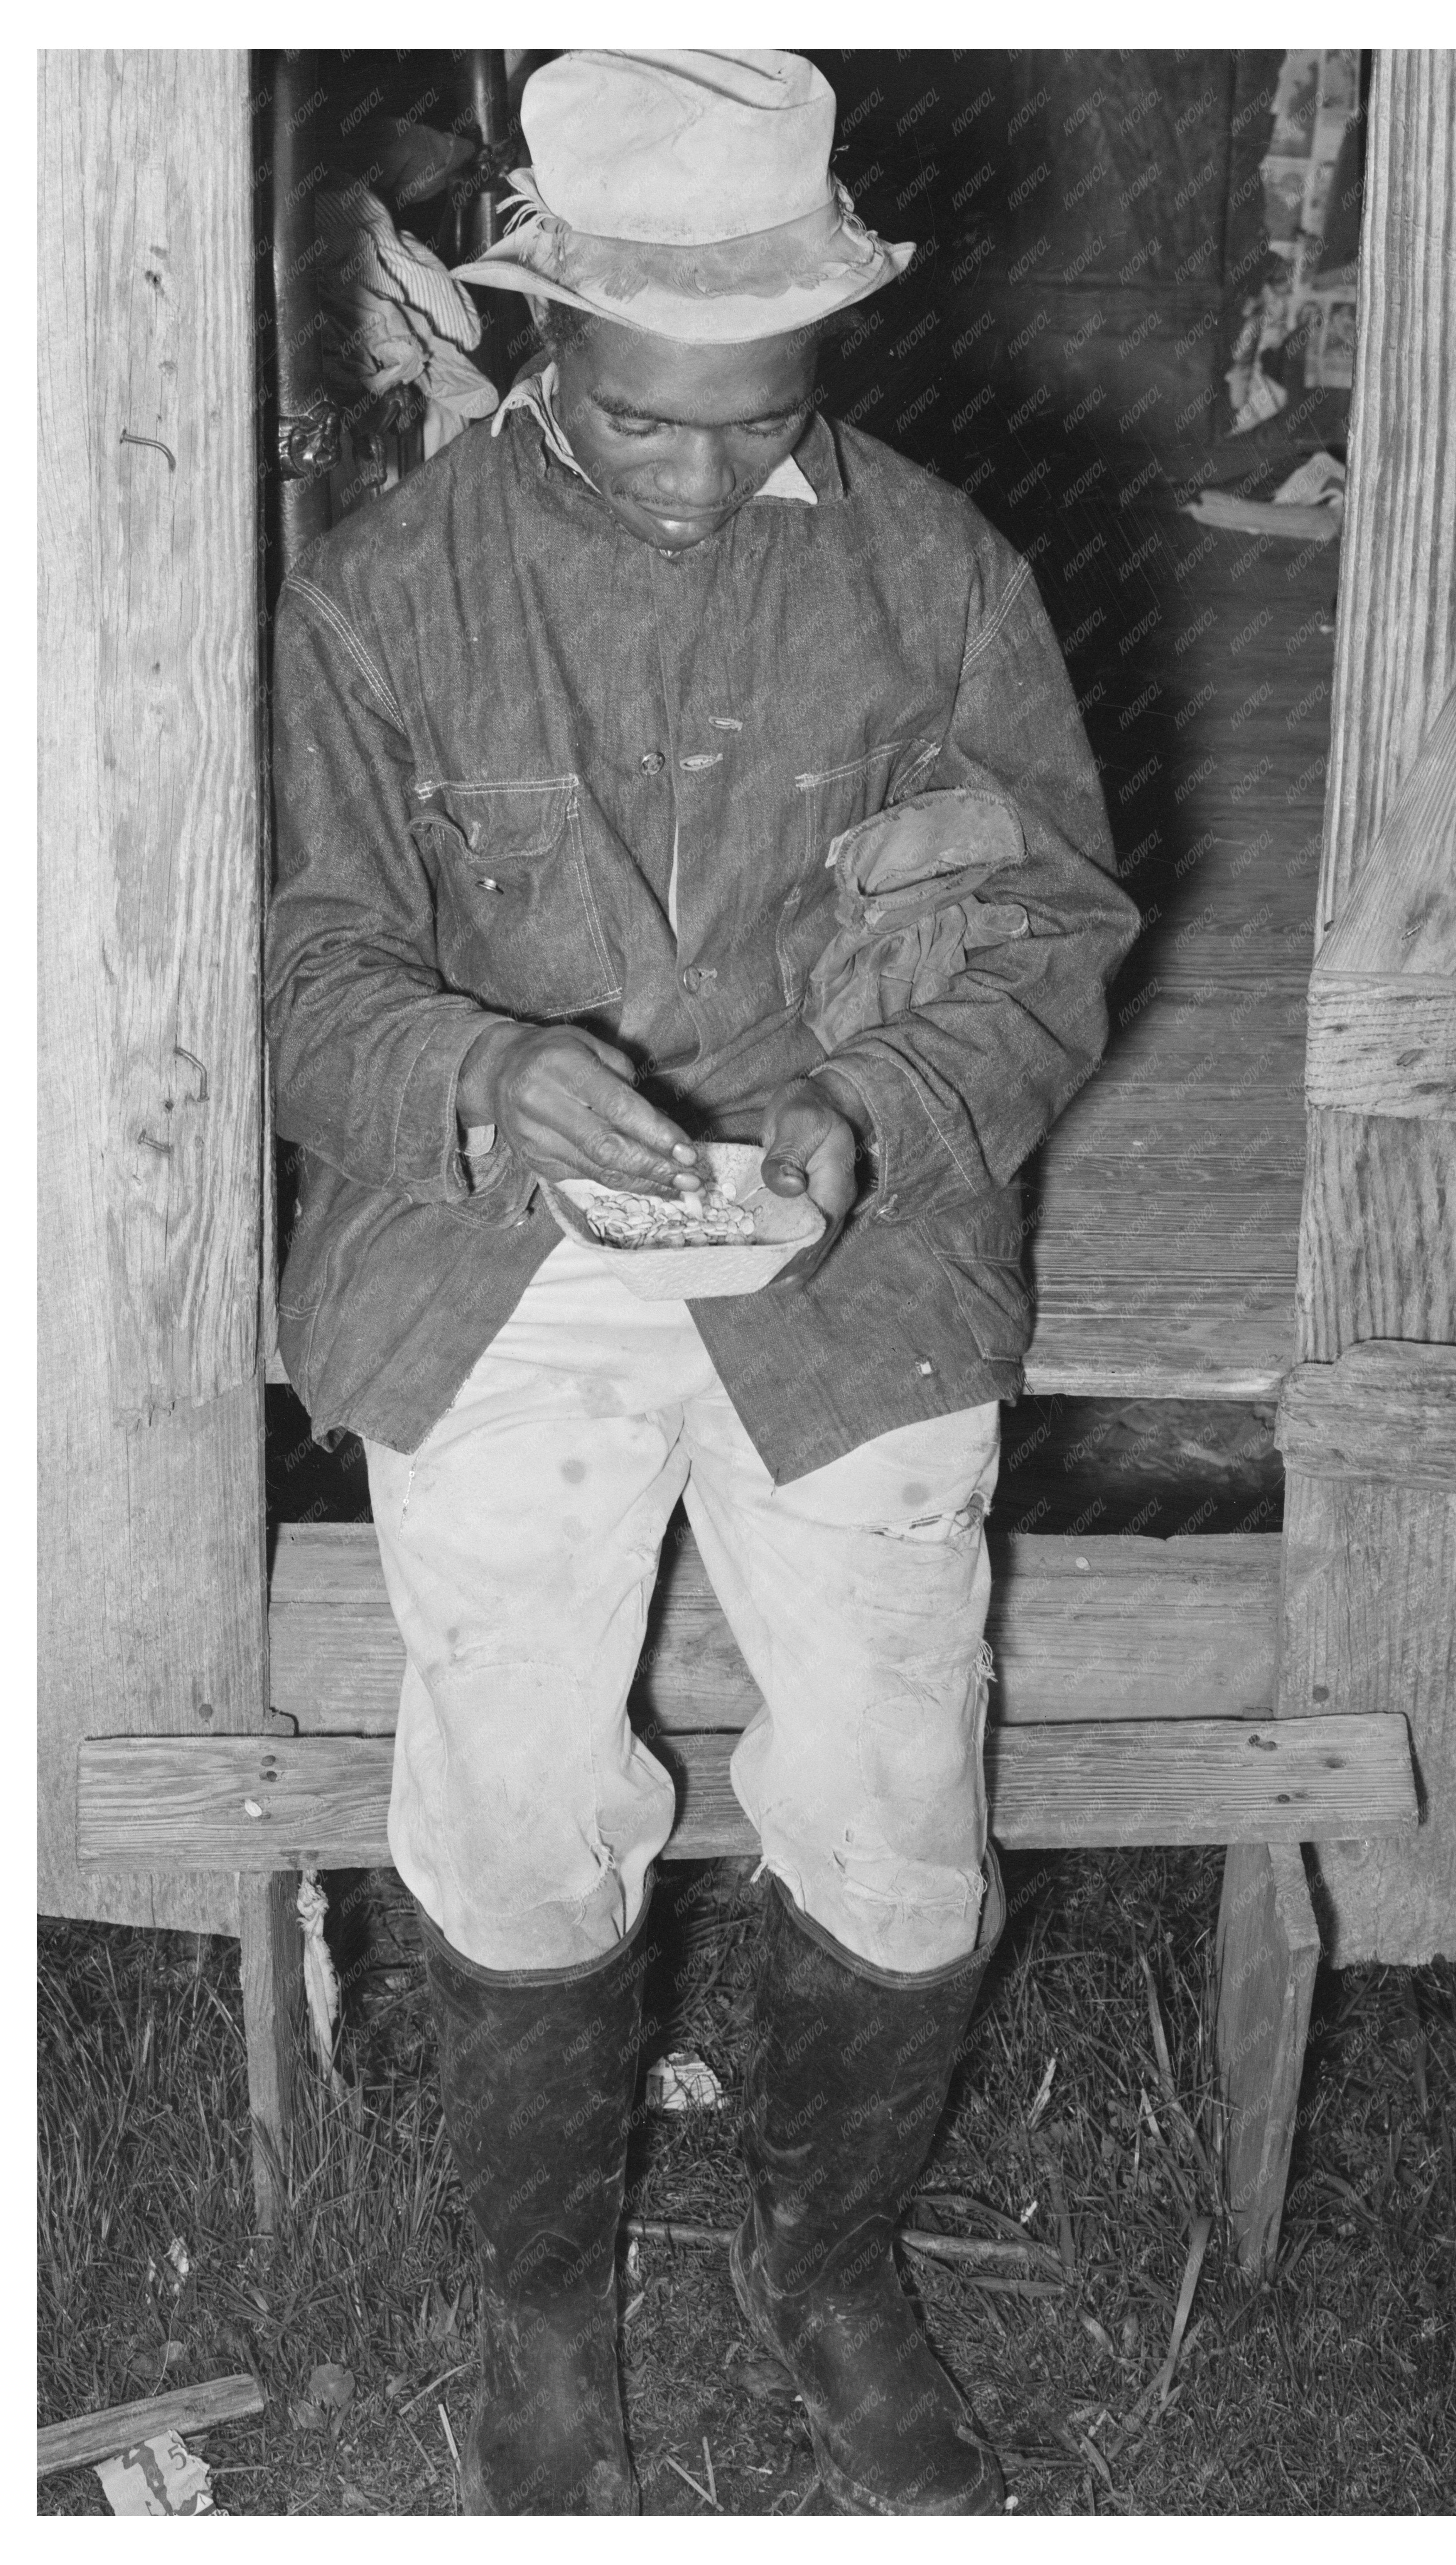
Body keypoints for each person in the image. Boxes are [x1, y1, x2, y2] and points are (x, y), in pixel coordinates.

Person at [266, 48, 1137, 2518]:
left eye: (760, 421)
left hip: (853, 1238)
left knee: (898, 1794)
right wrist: (476, 1067)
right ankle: (550, 2309)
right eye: (645, 419)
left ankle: (826, 2262)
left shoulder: (939, 570)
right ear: (540, 328)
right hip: (487, 1244)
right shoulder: (381, 595)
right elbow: (307, 969)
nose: (699, 471)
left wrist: (878, 1109)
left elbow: (1041, 934)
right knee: (514, 1790)